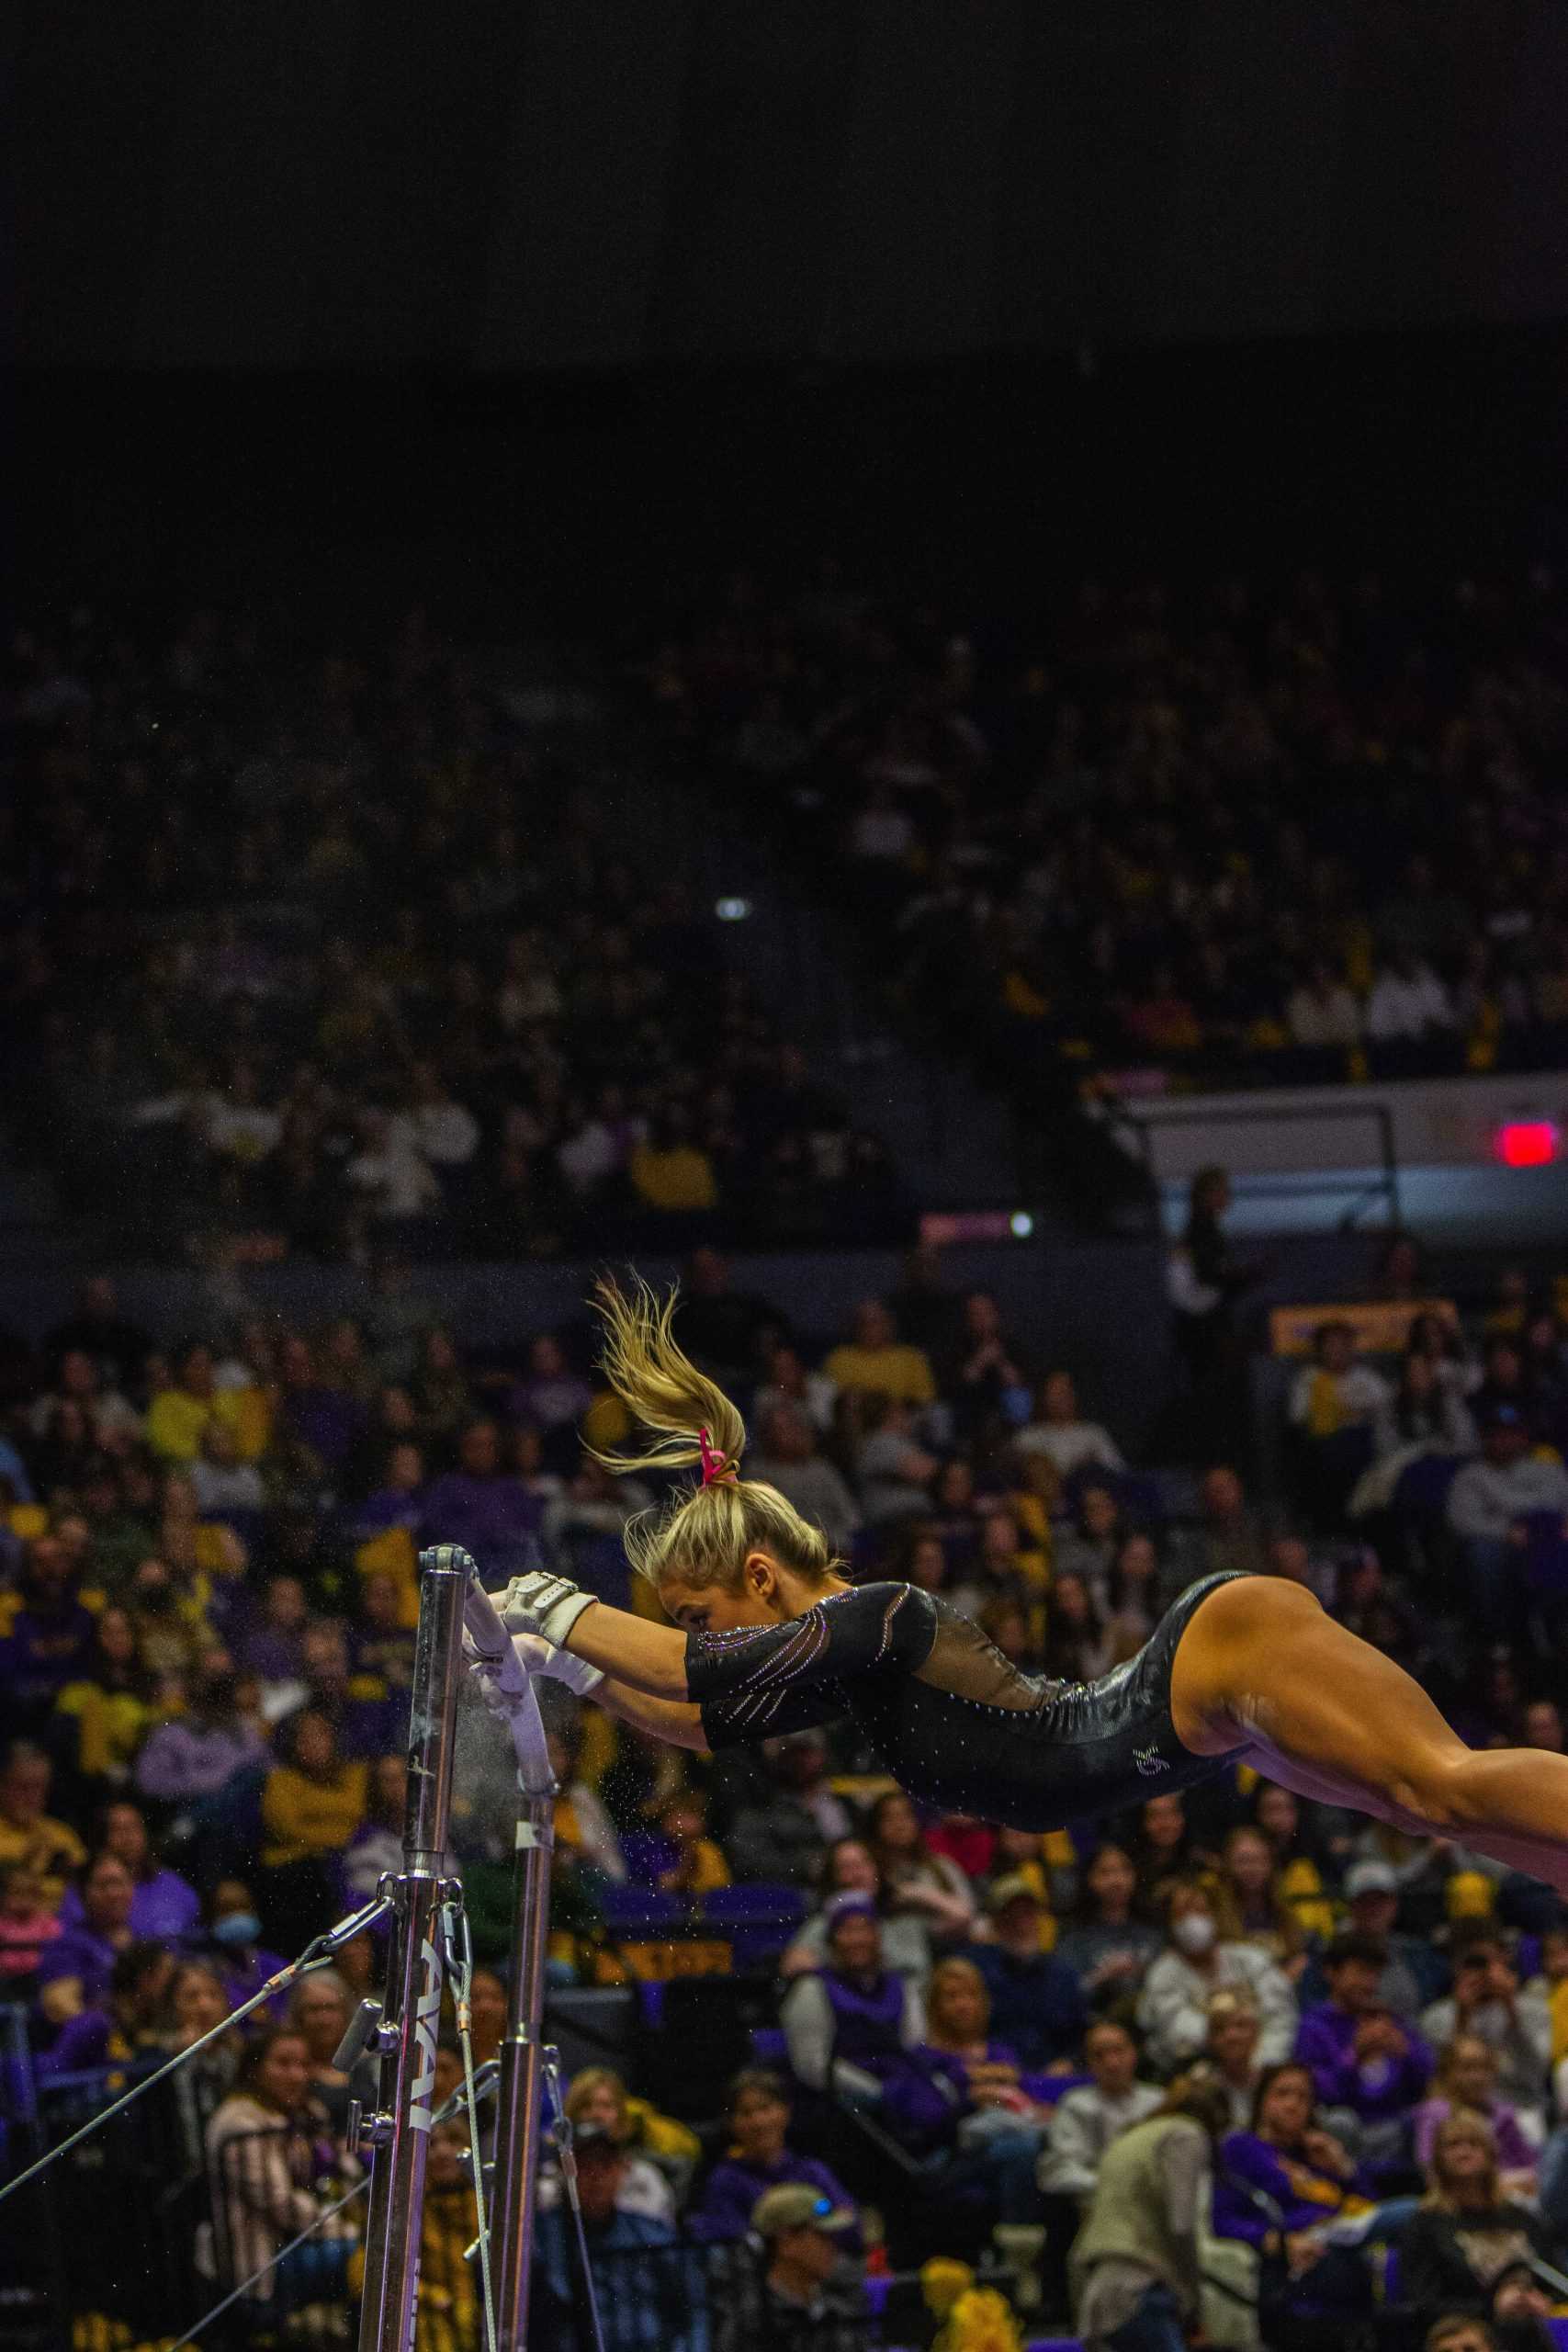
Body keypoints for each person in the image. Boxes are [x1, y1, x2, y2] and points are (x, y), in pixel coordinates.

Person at [467, 1278, 1568, 1932]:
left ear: (762, 1577)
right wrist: (558, 1663)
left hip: (1226, 1652)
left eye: (701, 1614)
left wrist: (545, 1603)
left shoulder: (878, 1613)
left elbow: (688, 1673)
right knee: (1428, 1811)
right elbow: (690, 1713)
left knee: (1440, 1780)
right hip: (1199, 1717)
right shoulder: (844, 1664)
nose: (699, 1639)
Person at [1070, 2072, 1234, 2352]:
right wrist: (1193, 2299)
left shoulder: (1133, 2136)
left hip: (1100, 2294)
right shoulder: (1186, 2134)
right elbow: (1181, 2225)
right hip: (1142, 2290)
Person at [201, 2026, 359, 2310]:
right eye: (283, 2064)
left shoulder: (309, 2110)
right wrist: (350, 2229)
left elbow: (343, 2168)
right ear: (255, 2068)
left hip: (310, 2237)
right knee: (368, 2255)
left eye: (303, 2065)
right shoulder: (239, 2122)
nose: (297, 2075)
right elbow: (281, 2203)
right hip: (263, 2263)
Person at [532, 2122, 704, 2352]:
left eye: (605, 2164)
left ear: (622, 2169)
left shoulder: (651, 2234)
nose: (596, 2176)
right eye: (585, 2166)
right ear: (565, 2172)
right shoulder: (544, 2237)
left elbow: (694, 2309)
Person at [1399, 2111, 1556, 2324]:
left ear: (1490, 2154)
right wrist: (1490, 2308)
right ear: (1438, 2158)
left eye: (1474, 2144)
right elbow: (1424, 2304)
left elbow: (1556, 2281)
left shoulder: (1521, 2218)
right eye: (1453, 2145)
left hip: (1534, 2328)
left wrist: (1545, 2301)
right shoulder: (1425, 2224)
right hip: (1467, 2332)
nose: (1464, 2152)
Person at [1294, 1933, 1433, 2159]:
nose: (1369, 1983)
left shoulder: (1390, 2021)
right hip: (1349, 2128)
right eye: (1361, 1972)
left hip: (1396, 2125)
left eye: (1374, 1974)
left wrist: (1406, 2053)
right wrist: (1354, 2056)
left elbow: (1428, 2078)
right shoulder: (1314, 2027)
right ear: (1331, 1973)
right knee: (1339, 2122)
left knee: (1435, 2113)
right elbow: (1318, 2093)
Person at [1136, 1880, 1296, 2075]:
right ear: (1170, 1923)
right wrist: (1233, 2044)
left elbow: (1280, 2016)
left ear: (1215, 1915)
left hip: (1265, 2065)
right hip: (1198, 2073)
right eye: (1183, 1913)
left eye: (1200, 1911)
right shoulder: (1163, 1974)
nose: (1193, 1920)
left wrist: (1261, 2062)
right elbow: (1177, 2030)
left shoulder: (1251, 1959)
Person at [779, 1894, 925, 2098]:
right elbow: (812, 2065)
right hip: (842, 2097)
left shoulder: (900, 1985)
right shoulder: (812, 1988)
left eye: (864, 1929)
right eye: (847, 1931)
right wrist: (874, 2091)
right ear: (832, 1939)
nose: (857, 1940)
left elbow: (915, 2043)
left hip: (899, 2084)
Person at [692, 2068, 859, 2243]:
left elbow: (850, 2223)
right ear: (731, 2122)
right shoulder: (726, 2180)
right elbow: (726, 2244)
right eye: (745, 2113)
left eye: (765, 2108)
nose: (758, 2122)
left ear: (786, 2111)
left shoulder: (812, 2172)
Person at [715, 2185, 865, 2352]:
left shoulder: (836, 2313)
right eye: (822, 2236)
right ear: (786, 2242)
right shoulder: (752, 2325)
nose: (832, 2246)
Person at [1039, 2019, 1163, 2199]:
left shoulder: (1158, 2101)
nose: (1111, 2063)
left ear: (1134, 2053)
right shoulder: (1075, 2104)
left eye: (1118, 2051)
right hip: (1098, 2202)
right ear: (1089, 2062)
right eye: (1099, 2055)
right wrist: (1113, 2186)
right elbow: (1059, 2172)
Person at [1413, 2036, 1540, 2198]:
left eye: (1484, 2068)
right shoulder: (1435, 2114)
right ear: (1447, 2073)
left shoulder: (1504, 2114)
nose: (1478, 2077)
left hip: (1515, 2196)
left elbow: (1531, 2167)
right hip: (1457, 2201)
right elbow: (1433, 2176)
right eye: (1468, 2069)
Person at [1054, 1843, 1164, 2011]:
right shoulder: (1074, 1938)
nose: (1116, 1881)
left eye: (1124, 1871)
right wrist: (1102, 1976)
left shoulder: (1153, 1933)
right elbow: (1064, 1996)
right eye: (1105, 1873)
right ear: (1089, 1879)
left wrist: (1144, 1973)